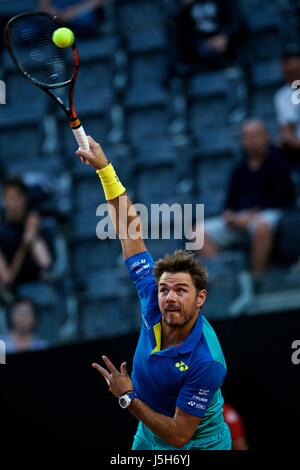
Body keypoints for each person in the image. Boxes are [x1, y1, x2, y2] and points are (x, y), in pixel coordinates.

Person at [75, 136, 231, 450]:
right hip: (148, 435)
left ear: (200, 298)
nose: (169, 297)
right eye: (164, 289)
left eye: (181, 291)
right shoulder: (152, 298)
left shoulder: (207, 361)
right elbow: (129, 229)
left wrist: (127, 399)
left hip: (196, 446)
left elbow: (178, 435)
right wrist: (105, 169)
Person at [199, 120, 296, 276]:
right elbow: (230, 201)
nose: (252, 141)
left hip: (270, 213)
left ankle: (257, 279)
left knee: (261, 227)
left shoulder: (278, 163)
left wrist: (252, 215)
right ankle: (226, 279)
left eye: (256, 136)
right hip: (241, 217)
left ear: (266, 137)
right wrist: (229, 214)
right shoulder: (240, 168)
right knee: (198, 233)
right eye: (248, 137)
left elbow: (283, 197)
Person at [0, 177, 53, 295]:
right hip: (13, 294)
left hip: (39, 287)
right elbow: (8, 280)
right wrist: (25, 244)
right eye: (6, 198)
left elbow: (46, 264)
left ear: (23, 200)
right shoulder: (2, 231)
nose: (9, 204)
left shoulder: (32, 223)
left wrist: (33, 236)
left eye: (13, 198)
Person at [168, 0, 242, 73]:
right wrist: (182, 7)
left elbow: (236, 21)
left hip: (226, 44)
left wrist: (225, 35)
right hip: (197, 47)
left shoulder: (224, 2)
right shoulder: (185, 5)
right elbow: (180, 31)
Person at [274, 49, 300, 166]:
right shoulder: (282, 96)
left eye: (296, 70)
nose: (293, 75)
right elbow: (287, 131)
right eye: (289, 72)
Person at [40, 0, 106, 38]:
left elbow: (97, 2)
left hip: (82, 16)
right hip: (56, 21)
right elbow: (44, 7)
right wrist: (56, 15)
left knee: (84, 20)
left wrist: (73, 13)